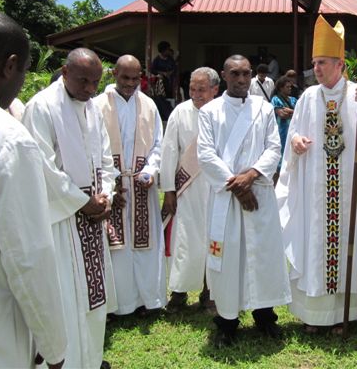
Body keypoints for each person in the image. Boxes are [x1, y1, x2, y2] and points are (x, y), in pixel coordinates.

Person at [276, 15, 357, 333]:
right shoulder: (309, 97)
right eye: (314, 62)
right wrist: (296, 142)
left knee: (348, 245)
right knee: (316, 242)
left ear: (340, 64)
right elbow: (294, 136)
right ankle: (315, 314)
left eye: (323, 62)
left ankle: (346, 314)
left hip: (351, 191)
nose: (317, 68)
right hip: (316, 190)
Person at [0, 11, 67, 369]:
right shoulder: (6, 137)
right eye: (26, 69)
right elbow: (28, 258)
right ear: (10, 66)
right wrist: (54, 346)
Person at [23, 48, 118, 369]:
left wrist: (106, 195)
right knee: (66, 297)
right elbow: (41, 167)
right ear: (64, 71)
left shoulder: (91, 108)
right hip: (61, 223)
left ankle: (90, 359)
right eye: (83, 81)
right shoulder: (42, 107)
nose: (90, 89)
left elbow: (105, 158)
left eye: (95, 82)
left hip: (92, 219)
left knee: (92, 301)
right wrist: (83, 203)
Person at [197, 55, 291, 346]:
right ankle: (227, 321)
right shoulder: (210, 111)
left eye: (246, 74)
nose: (241, 80)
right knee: (228, 259)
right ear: (224, 76)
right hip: (227, 198)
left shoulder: (263, 109)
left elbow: (274, 148)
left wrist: (250, 175)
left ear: (253, 75)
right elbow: (205, 154)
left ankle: (265, 317)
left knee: (262, 255)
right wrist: (237, 185)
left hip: (259, 192)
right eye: (235, 74)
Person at [94, 55, 166, 316]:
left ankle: (146, 301)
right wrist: (110, 186)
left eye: (136, 78)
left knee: (144, 244)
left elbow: (159, 143)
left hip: (141, 185)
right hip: (111, 186)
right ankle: (117, 304)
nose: (131, 83)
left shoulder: (148, 105)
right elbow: (92, 148)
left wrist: (149, 170)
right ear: (114, 74)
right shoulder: (97, 105)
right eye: (125, 77)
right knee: (115, 246)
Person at [160, 67, 220, 313]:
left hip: (216, 188)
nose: (196, 94)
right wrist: (169, 190)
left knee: (214, 241)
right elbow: (168, 151)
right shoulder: (180, 112)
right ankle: (179, 293)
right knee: (185, 240)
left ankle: (210, 292)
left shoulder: (222, 113)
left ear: (215, 90)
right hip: (187, 189)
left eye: (202, 89)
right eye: (193, 89)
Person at [271, 75, 297, 167]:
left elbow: (300, 113)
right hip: (282, 131)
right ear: (281, 88)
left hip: (294, 131)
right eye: (287, 87)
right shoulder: (276, 99)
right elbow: (282, 114)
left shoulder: (293, 100)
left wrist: (291, 111)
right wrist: (294, 112)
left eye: (290, 87)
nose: (290, 89)